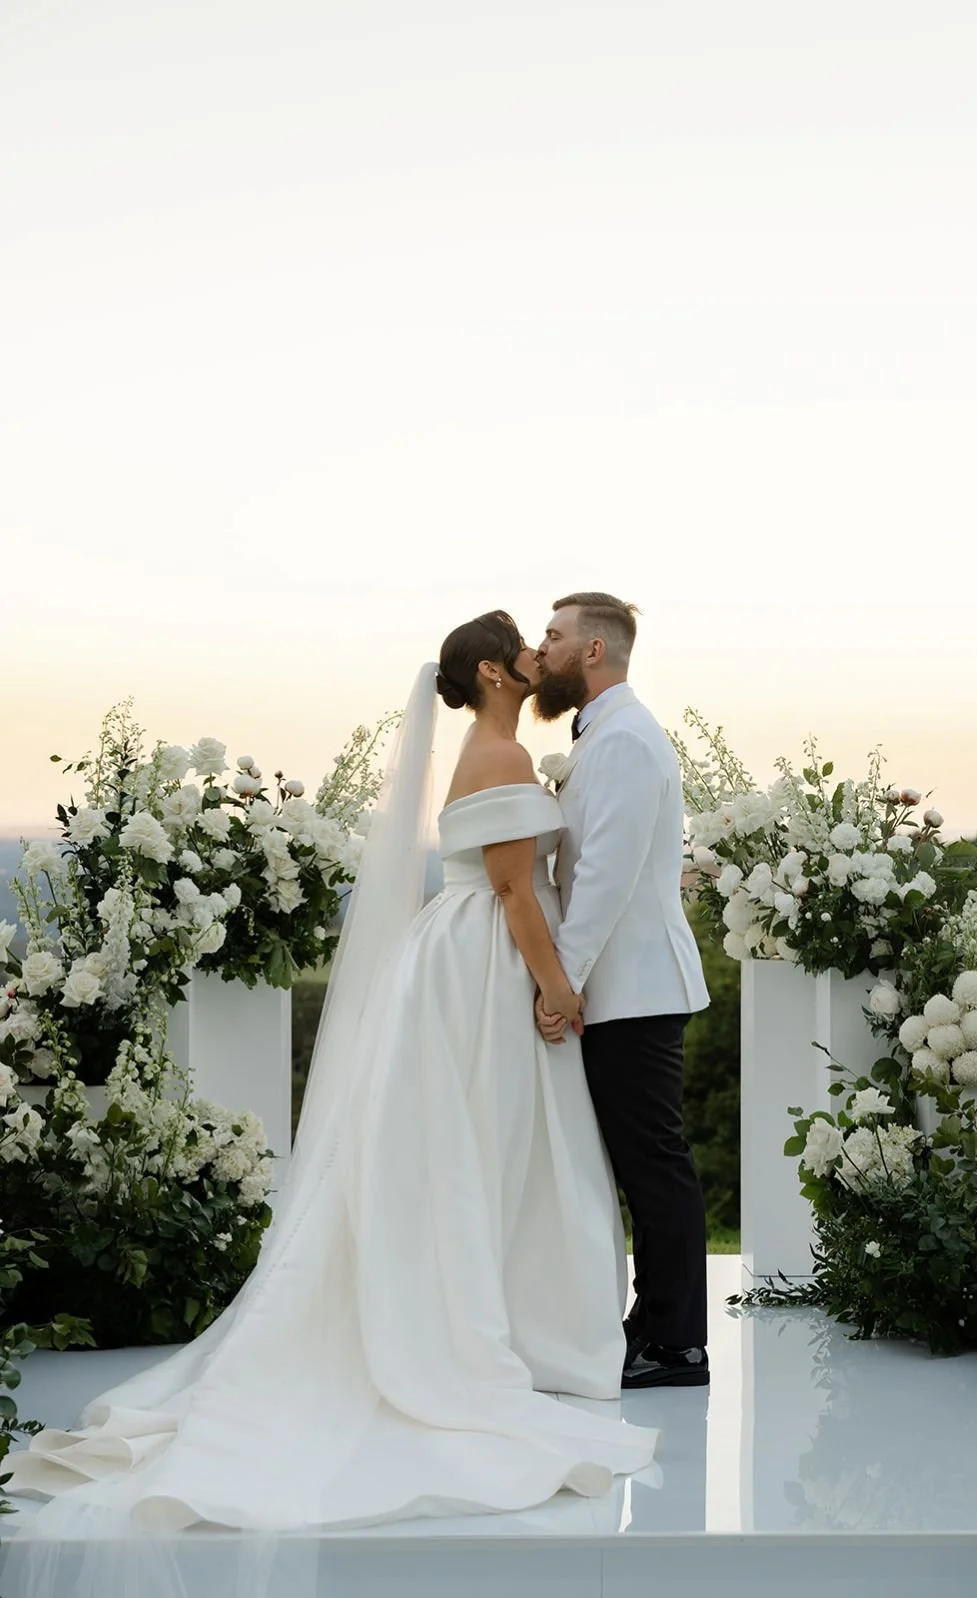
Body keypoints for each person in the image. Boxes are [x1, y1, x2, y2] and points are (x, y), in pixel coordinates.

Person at [3, 614, 656, 1598]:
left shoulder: (495, 747)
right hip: (483, 967)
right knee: (489, 1147)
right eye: (522, 643)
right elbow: (518, 893)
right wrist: (557, 987)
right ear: (491, 668)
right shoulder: (504, 748)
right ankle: (497, 1330)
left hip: (454, 958)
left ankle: (505, 1316)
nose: (535, 655)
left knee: (470, 1151)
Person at [532, 592, 712, 1388]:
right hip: (615, 987)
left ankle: (676, 1344)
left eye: (554, 635)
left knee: (652, 1164)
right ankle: (648, 1324)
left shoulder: (630, 740)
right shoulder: (601, 734)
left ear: (593, 652)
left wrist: (561, 979)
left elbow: (603, 873)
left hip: (632, 987)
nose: (544, 648)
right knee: (636, 1162)